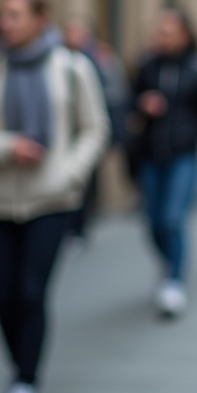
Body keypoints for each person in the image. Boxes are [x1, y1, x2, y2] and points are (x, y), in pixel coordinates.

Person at [0, 0, 108, 393]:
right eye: (2, 15)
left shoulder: (72, 68)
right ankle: (18, 365)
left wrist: (69, 174)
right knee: (2, 296)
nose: (5, 23)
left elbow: (95, 129)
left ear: (40, 19)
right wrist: (7, 146)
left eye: (15, 15)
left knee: (31, 292)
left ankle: (25, 380)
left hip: (51, 200)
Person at [127, 10, 197, 319]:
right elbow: (128, 101)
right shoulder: (147, 66)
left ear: (184, 34)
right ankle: (170, 263)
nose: (163, 37)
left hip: (184, 155)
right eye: (161, 32)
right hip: (150, 156)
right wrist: (141, 104)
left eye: (169, 32)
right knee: (152, 223)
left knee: (172, 219)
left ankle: (174, 282)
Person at [62, 17, 130, 245]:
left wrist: (115, 134)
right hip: (65, 133)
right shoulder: (58, 59)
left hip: (88, 129)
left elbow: (115, 97)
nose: (71, 37)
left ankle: (81, 225)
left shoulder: (101, 59)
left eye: (76, 32)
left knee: (87, 178)